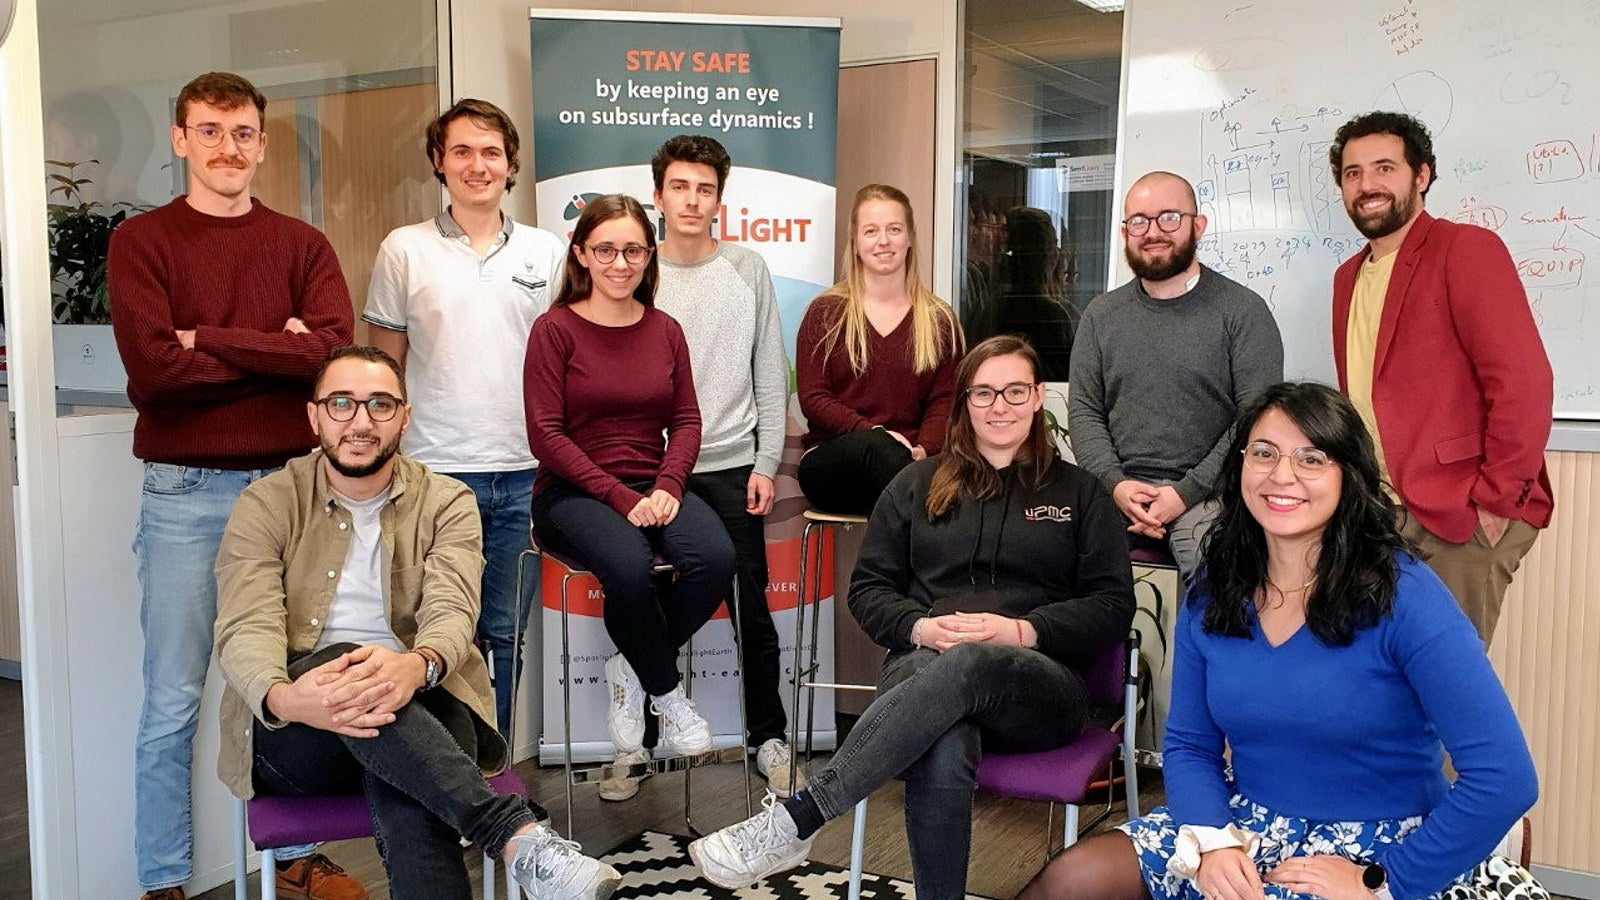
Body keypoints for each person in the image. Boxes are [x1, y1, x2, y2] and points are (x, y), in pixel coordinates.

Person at [1020, 382, 1545, 900]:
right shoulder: (1214, 589)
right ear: (1240, 467)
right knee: (1074, 878)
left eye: (1311, 459)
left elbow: (1505, 777)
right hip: (1244, 825)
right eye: (1264, 453)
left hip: (1380, 849)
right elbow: (1190, 745)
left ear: (1348, 476)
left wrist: (1381, 882)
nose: (1282, 475)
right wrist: (1213, 841)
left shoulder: (1407, 596)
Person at [690, 335, 1135, 898]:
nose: (999, 407)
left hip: (1039, 688)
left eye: (1015, 391)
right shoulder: (915, 485)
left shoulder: (1081, 493)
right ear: (964, 401)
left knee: (970, 662)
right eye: (984, 393)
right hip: (923, 671)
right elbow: (869, 589)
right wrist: (921, 628)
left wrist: (1022, 631)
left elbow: (1113, 605)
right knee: (944, 738)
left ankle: (803, 816)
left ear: (1038, 396)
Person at [214, 346, 619, 900]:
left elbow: (453, 608)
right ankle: (513, 835)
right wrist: (284, 698)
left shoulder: (447, 500)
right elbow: (246, 623)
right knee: (344, 664)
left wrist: (418, 666)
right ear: (314, 416)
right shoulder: (266, 502)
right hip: (298, 730)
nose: (361, 422)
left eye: (380, 405)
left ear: (405, 416)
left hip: (423, 703)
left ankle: (511, 838)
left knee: (409, 782)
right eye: (341, 404)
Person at [108, 71, 359, 900]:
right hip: (185, 493)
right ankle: (163, 878)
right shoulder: (142, 242)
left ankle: (298, 859)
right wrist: (275, 350)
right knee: (173, 696)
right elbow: (155, 374)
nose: (228, 147)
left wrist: (206, 338)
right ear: (180, 139)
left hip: (292, 490)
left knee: (298, 680)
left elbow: (329, 355)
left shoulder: (302, 244)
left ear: (262, 142)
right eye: (210, 131)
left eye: (243, 131)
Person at [363, 99, 566, 738]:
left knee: (505, 633)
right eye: (462, 152)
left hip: (525, 472)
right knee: (433, 634)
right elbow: (383, 370)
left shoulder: (548, 252)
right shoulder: (404, 249)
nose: (477, 165)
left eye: (491, 153)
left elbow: (568, 362)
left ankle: (492, 770)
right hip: (433, 474)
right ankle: (443, 771)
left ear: (510, 165)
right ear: (439, 161)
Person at [524, 193, 736, 763]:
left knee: (716, 559)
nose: (620, 263)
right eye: (606, 250)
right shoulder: (554, 329)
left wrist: (668, 485)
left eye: (633, 251)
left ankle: (633, 665)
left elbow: (687, 421)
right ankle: (666, 691)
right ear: (581, 253)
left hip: (652, 483)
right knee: (628, 566)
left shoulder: (665, 329)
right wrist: (621, 498)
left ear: (649, 256)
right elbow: (545, 436)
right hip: (570, 493)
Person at [1329, 111, 1553, 647]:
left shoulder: (1465, 249)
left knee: (1446, 679)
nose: (1367, 184)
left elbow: (1523, 383)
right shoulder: (1346, 277)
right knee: (1382, 673)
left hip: (1460, 514)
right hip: (1380, 513)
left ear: (1422, 175)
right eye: (1353, 173)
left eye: (1384, 167)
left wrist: (1495, 504)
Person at [647, 134, 797, 800]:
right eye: (679, 187)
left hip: (734, 464)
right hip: (651, 471)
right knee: (643, 601)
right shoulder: (636, 270)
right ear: (658, 196)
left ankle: (769, 738)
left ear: (719, 201)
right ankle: (637, 746)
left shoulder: (747, 268)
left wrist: (766, 461)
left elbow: (769, 369)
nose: (691, 200)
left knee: (750, 609)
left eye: (704, 189)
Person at [1069, 171, 1283, 582]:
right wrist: (1116, 485)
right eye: (1139, 221)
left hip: (1212, 494)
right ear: (1125, 232)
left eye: (1169, 217)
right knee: (1049, 551)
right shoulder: (1100, 316)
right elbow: (1084, 412)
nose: (1153, 232)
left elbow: (1256, 420)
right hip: (1117, 491)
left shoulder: (1243, 312)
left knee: (1211, 564)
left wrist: (1185, 493)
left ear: (1197, 225)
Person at [795, 183, 964, 516]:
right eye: (871, 231)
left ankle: (911, 524)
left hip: (914, 461)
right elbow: (813, 397)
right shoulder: (825, 313)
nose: (883, 241)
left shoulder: (939, 319)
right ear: (856, 242)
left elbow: (945, 399)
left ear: (910, 237)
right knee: (880, 450)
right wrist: (873, 432)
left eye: (894, 229)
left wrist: (923, 448)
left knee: (914, 483)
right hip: (834, 464)